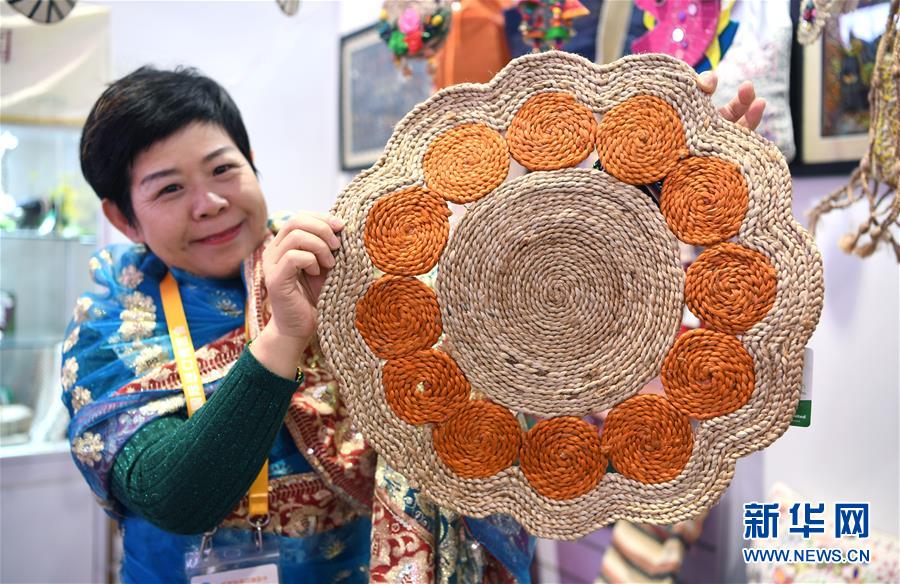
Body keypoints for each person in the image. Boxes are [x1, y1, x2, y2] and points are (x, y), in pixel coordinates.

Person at [62, 65, 764, 583]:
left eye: (223, 169)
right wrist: (280, 340)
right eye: (170, 189)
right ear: (122, 217)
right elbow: (176, 496)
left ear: (252, 165)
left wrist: (653, 181)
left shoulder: (340, 259)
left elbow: (517, 291)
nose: (211, 203)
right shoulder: (110, 328)